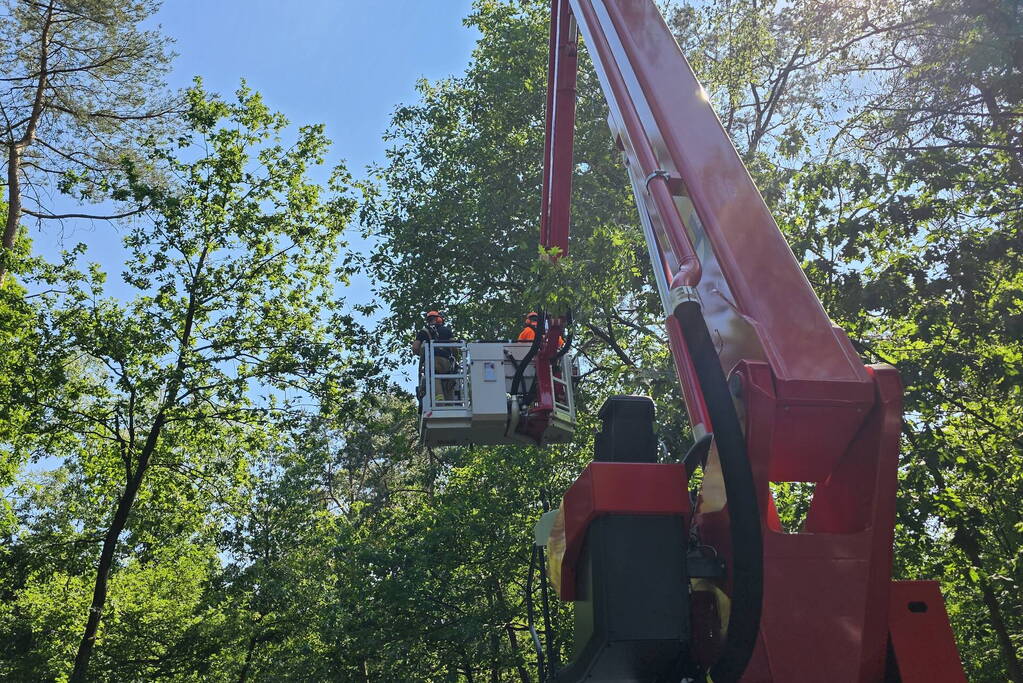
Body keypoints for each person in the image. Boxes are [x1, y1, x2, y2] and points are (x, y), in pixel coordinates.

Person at [413, 310, 456, 401]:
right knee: (448, 381)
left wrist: (421, 353)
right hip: (446, 361)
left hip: (431, 362)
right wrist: (455, 357)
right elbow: (454, 346)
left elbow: (415, 348)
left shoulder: (423, 332)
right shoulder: (446, 330)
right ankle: (450, 402)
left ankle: (440, 401)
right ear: (439, 319)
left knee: (435, 377)